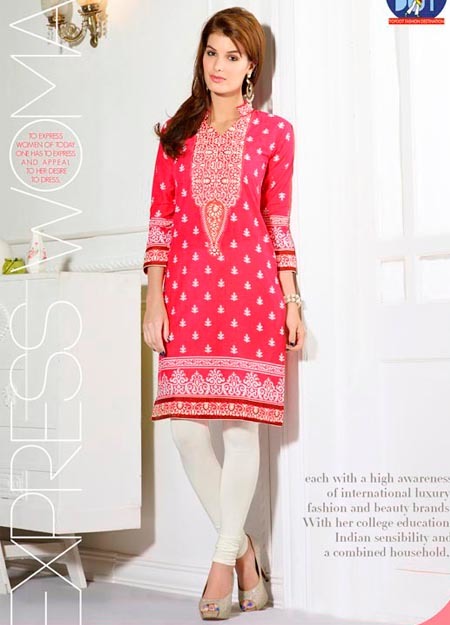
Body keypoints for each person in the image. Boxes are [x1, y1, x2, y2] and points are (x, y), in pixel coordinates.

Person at [142, 7, 305, 620]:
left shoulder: (275, 134)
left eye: (232, 56)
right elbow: (160, 222)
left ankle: (220, 562)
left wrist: (292, 299)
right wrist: (153, 298)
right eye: (211, 52)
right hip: (187, 294)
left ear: (251, 65)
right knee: (186, 431)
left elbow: (277, 221)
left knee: (240, 430)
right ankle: (245, 555)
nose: (219, 65)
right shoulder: (175, 134)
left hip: (252, 294)